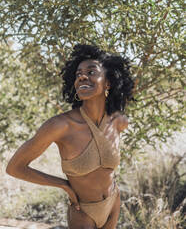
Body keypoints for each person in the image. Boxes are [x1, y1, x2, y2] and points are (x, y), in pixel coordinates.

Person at [6, 44, 134, 229]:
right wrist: (64, 185)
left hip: (113, 203)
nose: (82, 76)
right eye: (78, 74)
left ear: (108, 82)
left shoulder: (117, 121)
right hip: (83, 212)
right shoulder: (60, 126)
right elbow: (15, 168)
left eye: (91, 72)